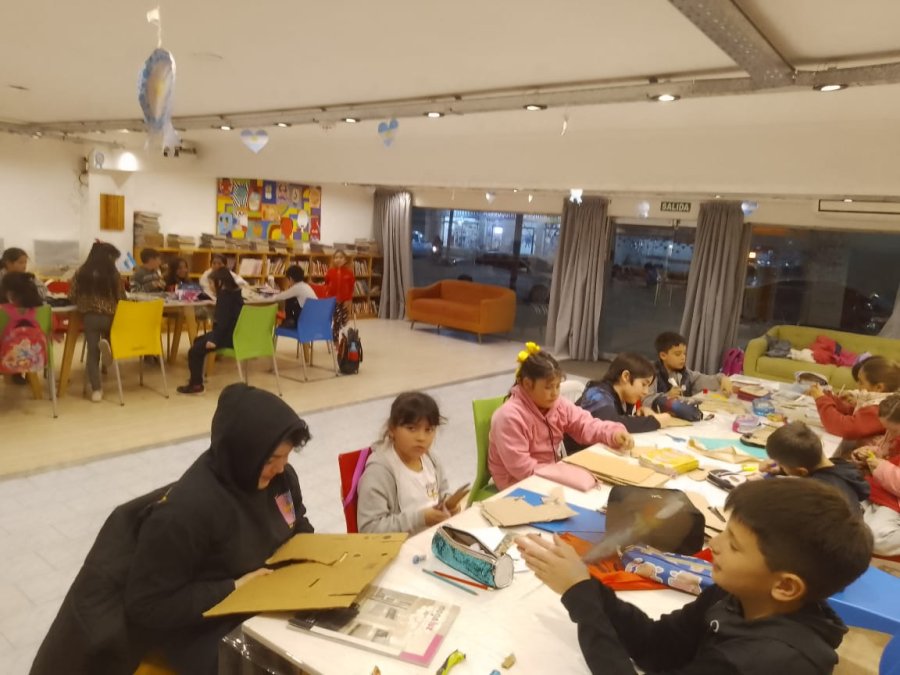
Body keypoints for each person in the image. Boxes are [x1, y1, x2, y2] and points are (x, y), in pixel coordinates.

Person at [29, 384, 314, 675]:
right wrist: (234, 587)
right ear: (242, 453)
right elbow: (147, 605)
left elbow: (297, 522)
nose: (281, 468)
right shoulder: (185, 513)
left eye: (286, 456)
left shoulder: (280, 479)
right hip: (202, 626)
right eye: (271, 460)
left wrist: (313, 556)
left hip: (265, 597)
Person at [517, 479, 873, 675]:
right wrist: (585, 584)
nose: (713, 545)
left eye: (733, 545)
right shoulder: (733, 595)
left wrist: (579, 598)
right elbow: (656, 646)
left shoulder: (765, 661)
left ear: (784, 586)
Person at [488, 343, 633, 491]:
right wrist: (562, 474)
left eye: (557, 386)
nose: (555, 393)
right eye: (548, 387)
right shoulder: (509, 417)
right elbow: (521, 468)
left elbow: (585, 424)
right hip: (516, 484)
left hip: (548, 474)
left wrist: (613, 433)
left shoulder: (558, 405)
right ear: (526, 384)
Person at [357, 391, 460, 535]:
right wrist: (421, 519)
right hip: (401, 548)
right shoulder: (380, 471)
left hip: (434, 538)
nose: (421, 438)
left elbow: (442, 492)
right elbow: (370, 529)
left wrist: (449, 504)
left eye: (428, 430)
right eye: (411, 428)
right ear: (392, 429)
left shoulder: (431, 460)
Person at [566, 353, 676, 457]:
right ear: (626, 376)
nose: (646, 392)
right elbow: (611, 423)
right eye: (644, 384)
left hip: (597, 451)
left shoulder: (625, 399)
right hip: (575, 455)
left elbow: (622, 421)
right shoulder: (597, 393)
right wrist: (655, 421)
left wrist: (640, 415)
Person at [761, 421, 869, 507]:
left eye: (782, 465)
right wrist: (781, 470)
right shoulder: (843, 466)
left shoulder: (814, 495)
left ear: (802, 471)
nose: (779, 466)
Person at [70, 242, 123, 402]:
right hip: (110, 317)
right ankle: (109, 345)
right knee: (115, 335)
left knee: (92, 354)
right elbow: (120, 297)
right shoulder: (113, 274)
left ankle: (96, 391)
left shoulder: (80, 272)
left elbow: (72, 295)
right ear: (109, 257)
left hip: (90, 317)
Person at [177, 268, 243, 394]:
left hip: (226, 337)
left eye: (212, 283)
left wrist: (214, 340)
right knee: (198, 340)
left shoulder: (224, 297)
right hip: (236, 335)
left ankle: (196, 385)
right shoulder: (236, 293)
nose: (211, 286)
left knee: (194, 351)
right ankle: (197, 377)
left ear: (220, 282)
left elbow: (222, 323)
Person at [850, 394, 900, 555]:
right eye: (887, 429)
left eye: (894, 430)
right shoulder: (892, 435)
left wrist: (880, 466)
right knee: (846, 516)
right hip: (879, 489)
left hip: (893, 500)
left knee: (876, 538)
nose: (889, 434)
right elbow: (886, 454)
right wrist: (869, 454)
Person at [808, 355, 900, 442]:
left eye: (861, 382)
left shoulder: (881, 409)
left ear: (879, 387)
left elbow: (843, 427)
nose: (857, 386)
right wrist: (829, 397)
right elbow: (856, 414)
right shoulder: (878, 402)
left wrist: (821, 399)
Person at [644, 331, 733, 411]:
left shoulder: (685, 373)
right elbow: (645, 400)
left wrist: (722, 379)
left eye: (684, 353)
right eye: (677, 354)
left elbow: (703, 380)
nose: (683, 357)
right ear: (663, 355)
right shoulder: (651, 374)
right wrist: (667, 396)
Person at [0, 271, 45, 385]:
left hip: (6, 357)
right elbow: (49, 331)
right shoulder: (42, 311)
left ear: (9, 294)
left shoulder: (3, 310)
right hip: (37, 359)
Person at [270, 264, 318, 329]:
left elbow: (279, 297)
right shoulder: (306, 286)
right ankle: (289, 321)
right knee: (292, 299)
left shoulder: (297, 288)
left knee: (289, 299)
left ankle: (289, 321)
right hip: (313, 320)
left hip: (304, 321)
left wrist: (264, 298)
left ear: (290, 278)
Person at [324, 249, 355, 344]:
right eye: (336, 257)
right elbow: (327, 285)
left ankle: (342, 338)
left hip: (345, 300)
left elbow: (351, 288)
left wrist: (349, 300)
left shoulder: (349, 273)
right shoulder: (330, 272)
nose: (338, 259)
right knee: (337, 320)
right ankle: (335, 340)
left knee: (344, 320)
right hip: (333, 301)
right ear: (333, 259)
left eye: (341, 257)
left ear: (345, 260)